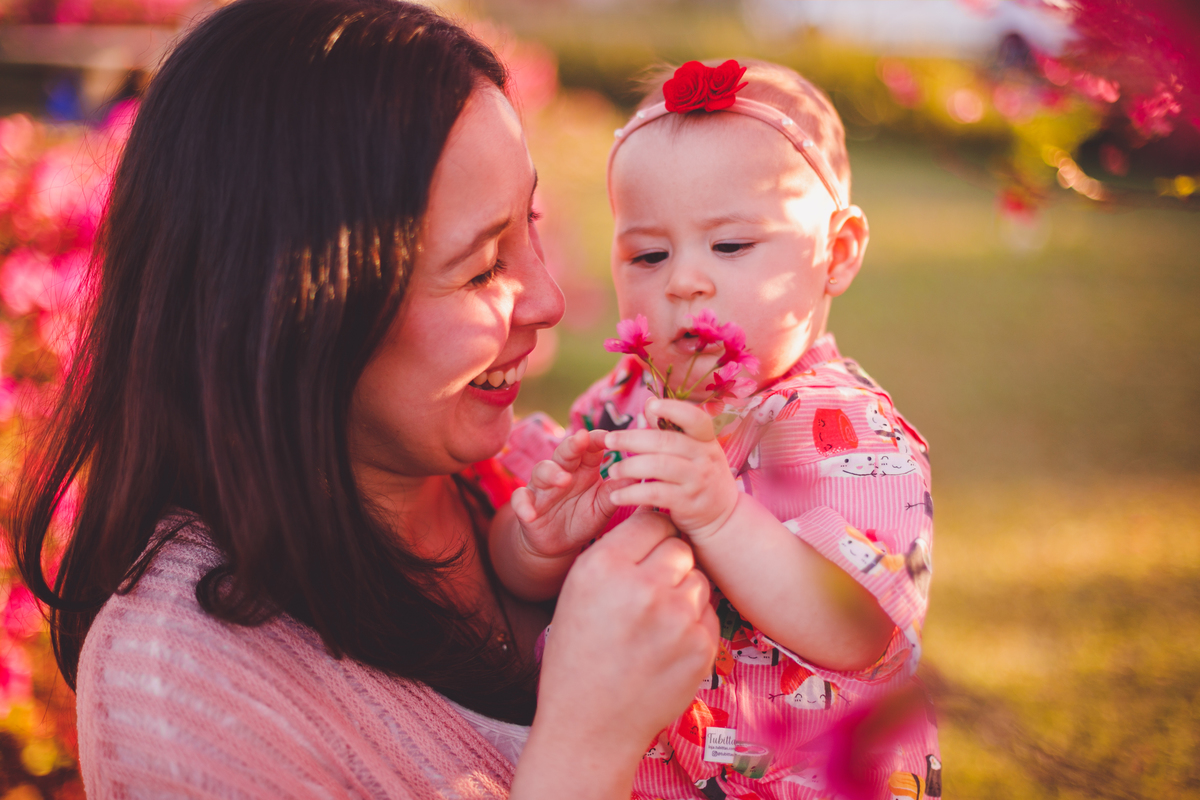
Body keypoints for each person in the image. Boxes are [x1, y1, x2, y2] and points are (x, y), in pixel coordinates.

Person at [10, 2, 720, 797]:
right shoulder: (185, 691)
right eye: (484, 265)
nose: (549, 299)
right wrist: (589, 744)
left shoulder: (524, 481)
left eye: (531, 221)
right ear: (297, 308)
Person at [488, 60, 941, 799]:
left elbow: (859, 631)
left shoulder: (843, 429)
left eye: (729, 247)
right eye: (649, 254)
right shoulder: (619, 405)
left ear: (838, 252)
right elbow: (514, 573)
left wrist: (721, 513)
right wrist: (540, 538)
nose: (683, 281)